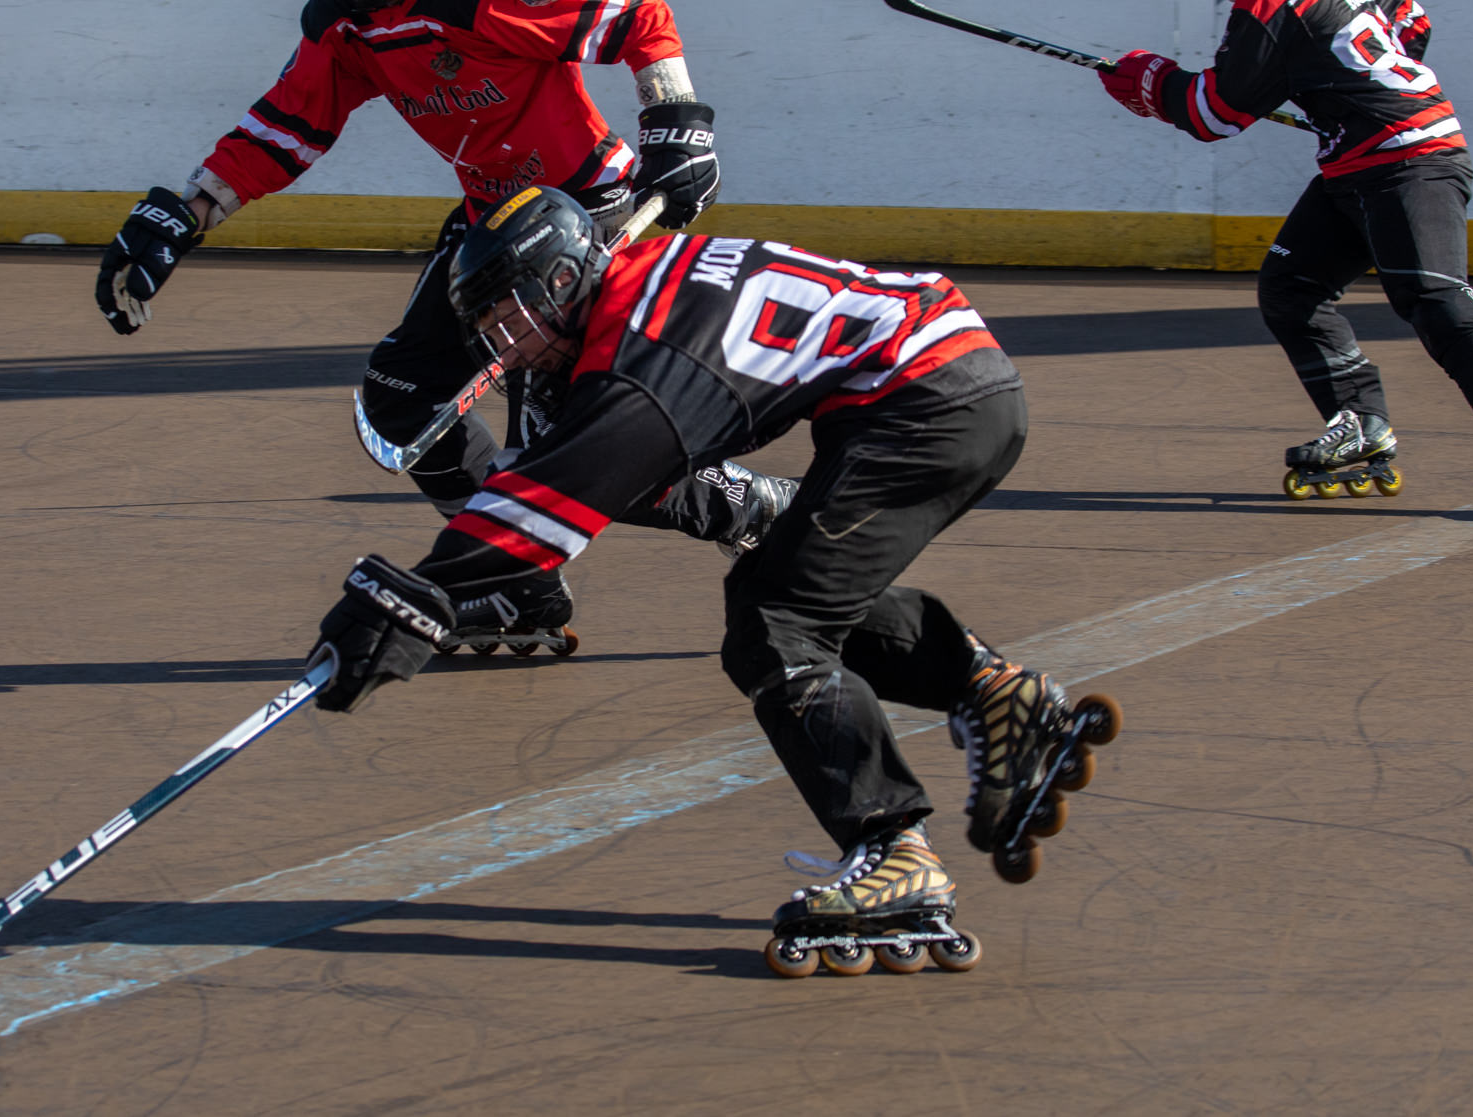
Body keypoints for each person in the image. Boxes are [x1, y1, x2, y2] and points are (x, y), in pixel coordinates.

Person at [302, 185, 1117, 973]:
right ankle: (992, 692)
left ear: (562, 280)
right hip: (937, 380)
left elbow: (557, 500)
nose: (502, 348)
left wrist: (412, 598)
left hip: (929, 401)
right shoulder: (640, 294)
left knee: (776, 625)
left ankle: (895, 850)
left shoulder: (644, 356)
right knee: (785, 591)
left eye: (508, 320)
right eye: (488, 331)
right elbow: (638, 478)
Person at [94, 0, 791, 642]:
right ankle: (521, 589)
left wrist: (677, 122)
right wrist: (186, 215)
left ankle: (754, 507)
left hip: (584, 215)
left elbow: (640, 16)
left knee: (570, 453)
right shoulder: (346, 20)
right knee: (401, 400)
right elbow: (288, 125)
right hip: (494, 222)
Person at [1096, 0, 1473, 520]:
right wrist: (1341, 92)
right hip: (1360, 164)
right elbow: (1411, 20)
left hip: (1410, 161)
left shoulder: (1267, 2)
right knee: (1291, 288)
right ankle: (1359, 422)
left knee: (1433, 297)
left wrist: (1148, 80)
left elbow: (1213, 114)